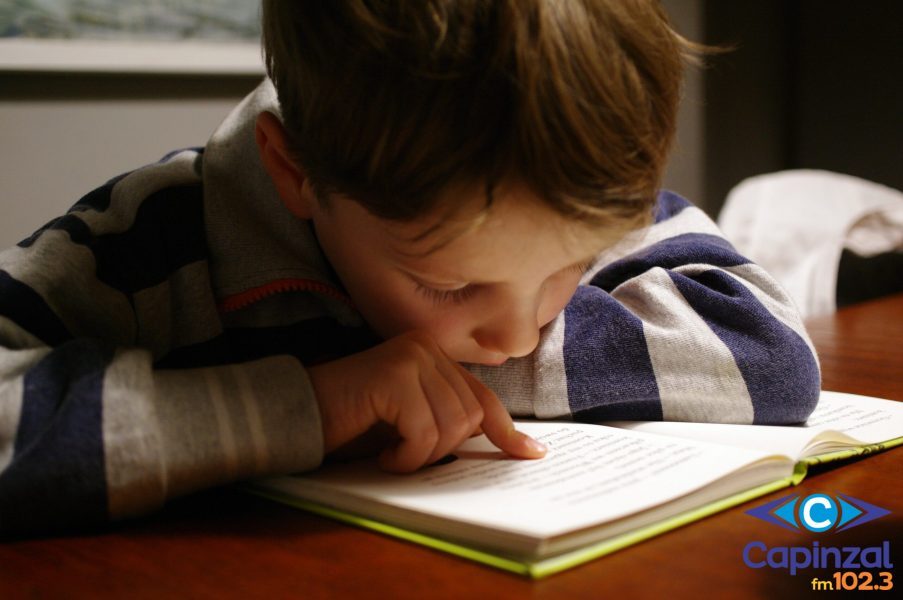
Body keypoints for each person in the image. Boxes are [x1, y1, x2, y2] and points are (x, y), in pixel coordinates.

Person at [0, 0, 820, 537]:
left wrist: (436, 386)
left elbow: (769, 352)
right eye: (452, 284)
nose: (513, 334)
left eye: (570, 266)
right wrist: (309, 401)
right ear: (295, 176)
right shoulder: (140, 242)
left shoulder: (559, 180)